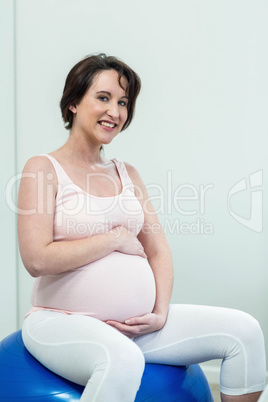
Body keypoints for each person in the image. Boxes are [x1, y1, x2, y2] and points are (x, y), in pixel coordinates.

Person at [18, 53, 266, 402]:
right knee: (122, 359)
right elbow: (36, 260)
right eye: (103, 98)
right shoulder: (43, 169)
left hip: (136, 328)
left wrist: (159, 312)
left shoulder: (126, 173)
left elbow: (159, 250)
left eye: (123, 102)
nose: (115, 112)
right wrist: (115, 237)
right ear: (73, 102)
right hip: (61, 322)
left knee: (245, 332)